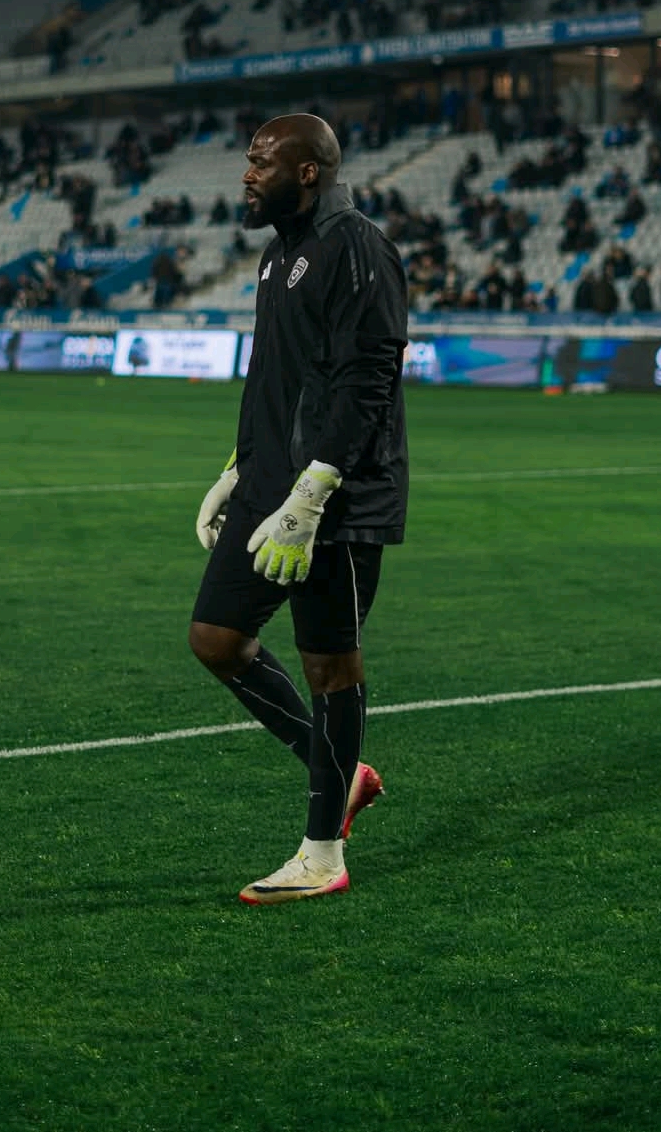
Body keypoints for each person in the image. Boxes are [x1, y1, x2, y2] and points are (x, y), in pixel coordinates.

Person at [189, 113, 409, 906]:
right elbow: (281, 382)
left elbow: (366, 377)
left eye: (260, 162)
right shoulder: (281, 252)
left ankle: (322, 853)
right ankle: (341, 772)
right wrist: (236, 468)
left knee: (329, 664)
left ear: (307, 170)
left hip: (334, 500)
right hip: (268, 485)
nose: (245, 175)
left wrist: (312, 494)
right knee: (216, 638)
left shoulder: (356, 246)